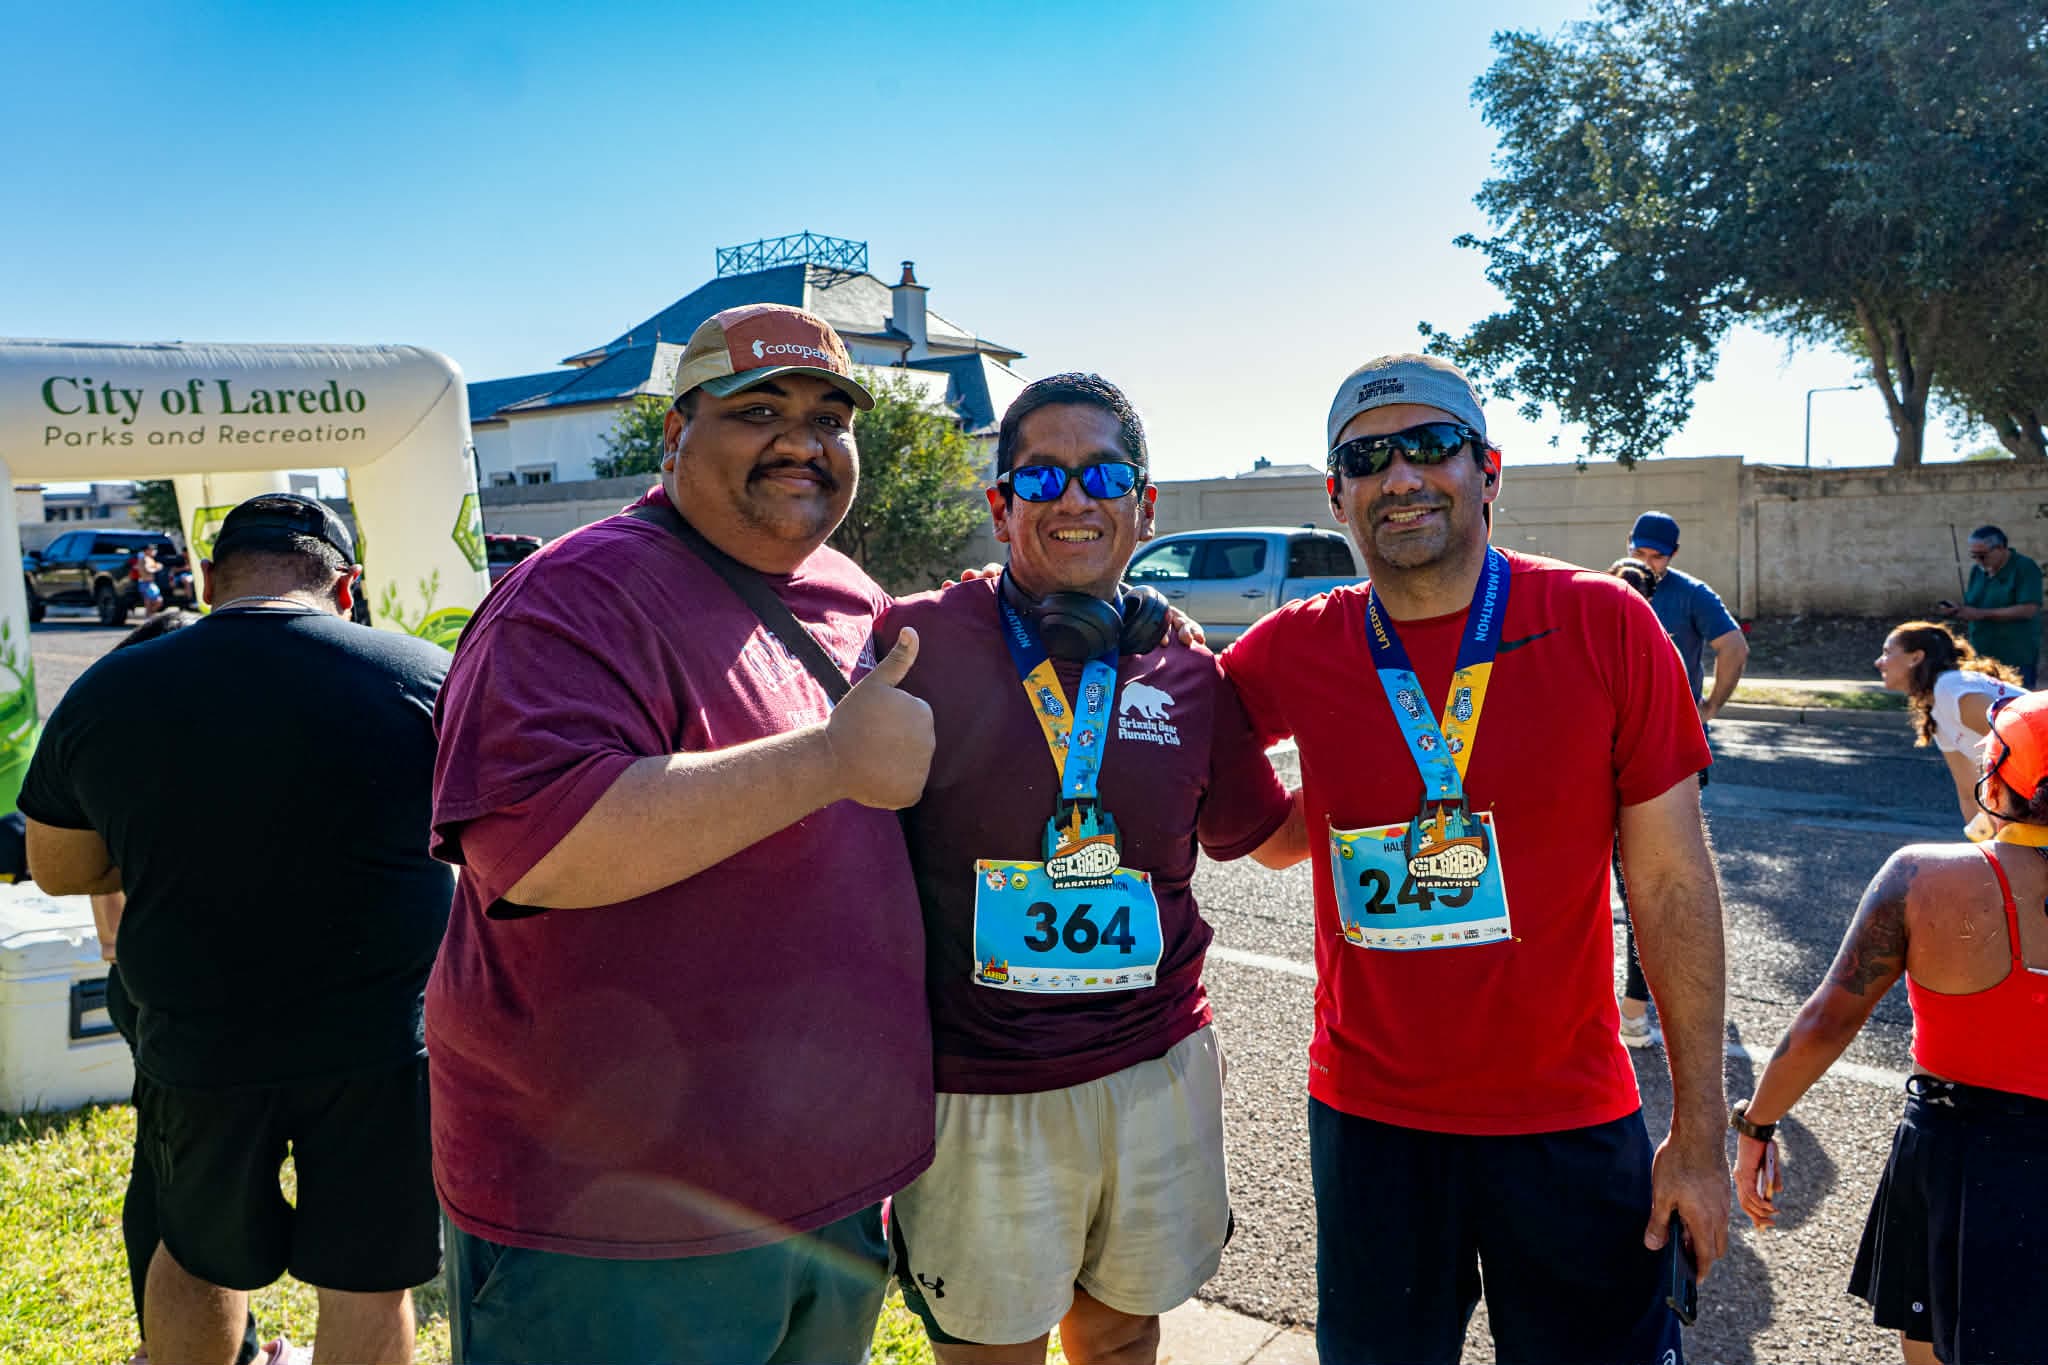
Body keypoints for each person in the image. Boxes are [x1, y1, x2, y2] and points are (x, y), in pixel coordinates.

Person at [425, 303, 936, 1364]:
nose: (803, 438)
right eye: (758, 411)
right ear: (674, 436)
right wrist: (826, 762)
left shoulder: (850, 595)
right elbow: (539, 849)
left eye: (829, 417)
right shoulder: (574, 594)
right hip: (616, 1224)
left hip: (825, 1194)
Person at [1221, 353, 1730, 1364]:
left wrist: (1702, 1136)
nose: (1400, 476)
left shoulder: (1605, 625)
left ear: (1485, 471)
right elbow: (1188, 758)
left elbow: (1672, 884)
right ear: (1337, 495)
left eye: (1429, 446)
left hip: (1567, 1116)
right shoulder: (1291, 648)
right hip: (1370, 1123)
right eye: (1368, 458)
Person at [880, 374, 1302, 1363]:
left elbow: (1272, 835)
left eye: (1104, 473)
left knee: (1119, 1340)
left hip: (1154, 1071)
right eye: (1042, 476)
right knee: (992, 1351)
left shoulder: (1189, 674)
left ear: (1142, 507)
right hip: (979, 1088)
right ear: (1000, 506)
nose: (1075, 497)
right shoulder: (911, 645)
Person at [16, 493, 451, 1365]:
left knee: (195, 1252)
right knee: (369, 1277)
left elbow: (57, 865)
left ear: (211, 579)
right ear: (346, 586)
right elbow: (492, 841)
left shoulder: (117, 683)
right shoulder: (428, 673)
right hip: (381, 1037)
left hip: (198, 1034)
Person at [1731, 690, 2048, 1365]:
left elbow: (1827, 1019)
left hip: (1960, 1153)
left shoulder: (1923, 874)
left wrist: (1757, 1125)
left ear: (1999, 777)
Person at [1875, 620, 2026, 833]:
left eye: (1887, 652)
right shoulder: (1937, 707)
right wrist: (1984, 847)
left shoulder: (1951, 688)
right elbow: (1968, 790)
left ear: (1916, 658)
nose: (1879, 662)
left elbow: (2023, 746)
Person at [1943, 525, 2042, 688]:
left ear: (2001, 548)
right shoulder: (1978, 570)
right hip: (1982, 653)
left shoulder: (2025, 568)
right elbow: (1974, 604)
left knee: (2017, 705)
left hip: (2015, 654)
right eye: (1974, 556)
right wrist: (1958, 609)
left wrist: (1982, 614)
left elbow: (2028, 609)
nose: (1978, 561)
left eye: (1983, 556)